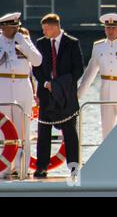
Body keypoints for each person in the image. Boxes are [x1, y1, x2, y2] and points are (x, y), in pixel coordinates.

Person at [32, 14, 84, 178]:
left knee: (70, 133)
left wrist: (61, 84)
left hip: (66, 95)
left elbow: (78, 69)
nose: (44, 32)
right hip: (46, 94)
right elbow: (36, 68)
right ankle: (41, 167)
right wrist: (46, 83)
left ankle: (74, 167)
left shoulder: (72, 43)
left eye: (46, 29)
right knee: (43, 132)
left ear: (55, 27)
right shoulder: (41, 44)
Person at [78, 13, 117, 140]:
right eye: (108, 28)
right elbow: (90, 72)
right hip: (106, 93)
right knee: (106, 130)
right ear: (104, 29)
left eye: (114, 28)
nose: (111, 31)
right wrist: (78, 94)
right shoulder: (98, 46)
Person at [0, 13, 42, 178]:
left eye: (16, 26)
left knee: (22, 128)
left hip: (22, 88)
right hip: (3, 87)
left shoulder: (24, 40)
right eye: (12, 27)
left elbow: (38, 60)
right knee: (4, 130)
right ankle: (4, 167)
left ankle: (21, 167)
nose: (15, 30)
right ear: (3, 27)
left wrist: (23, 43)